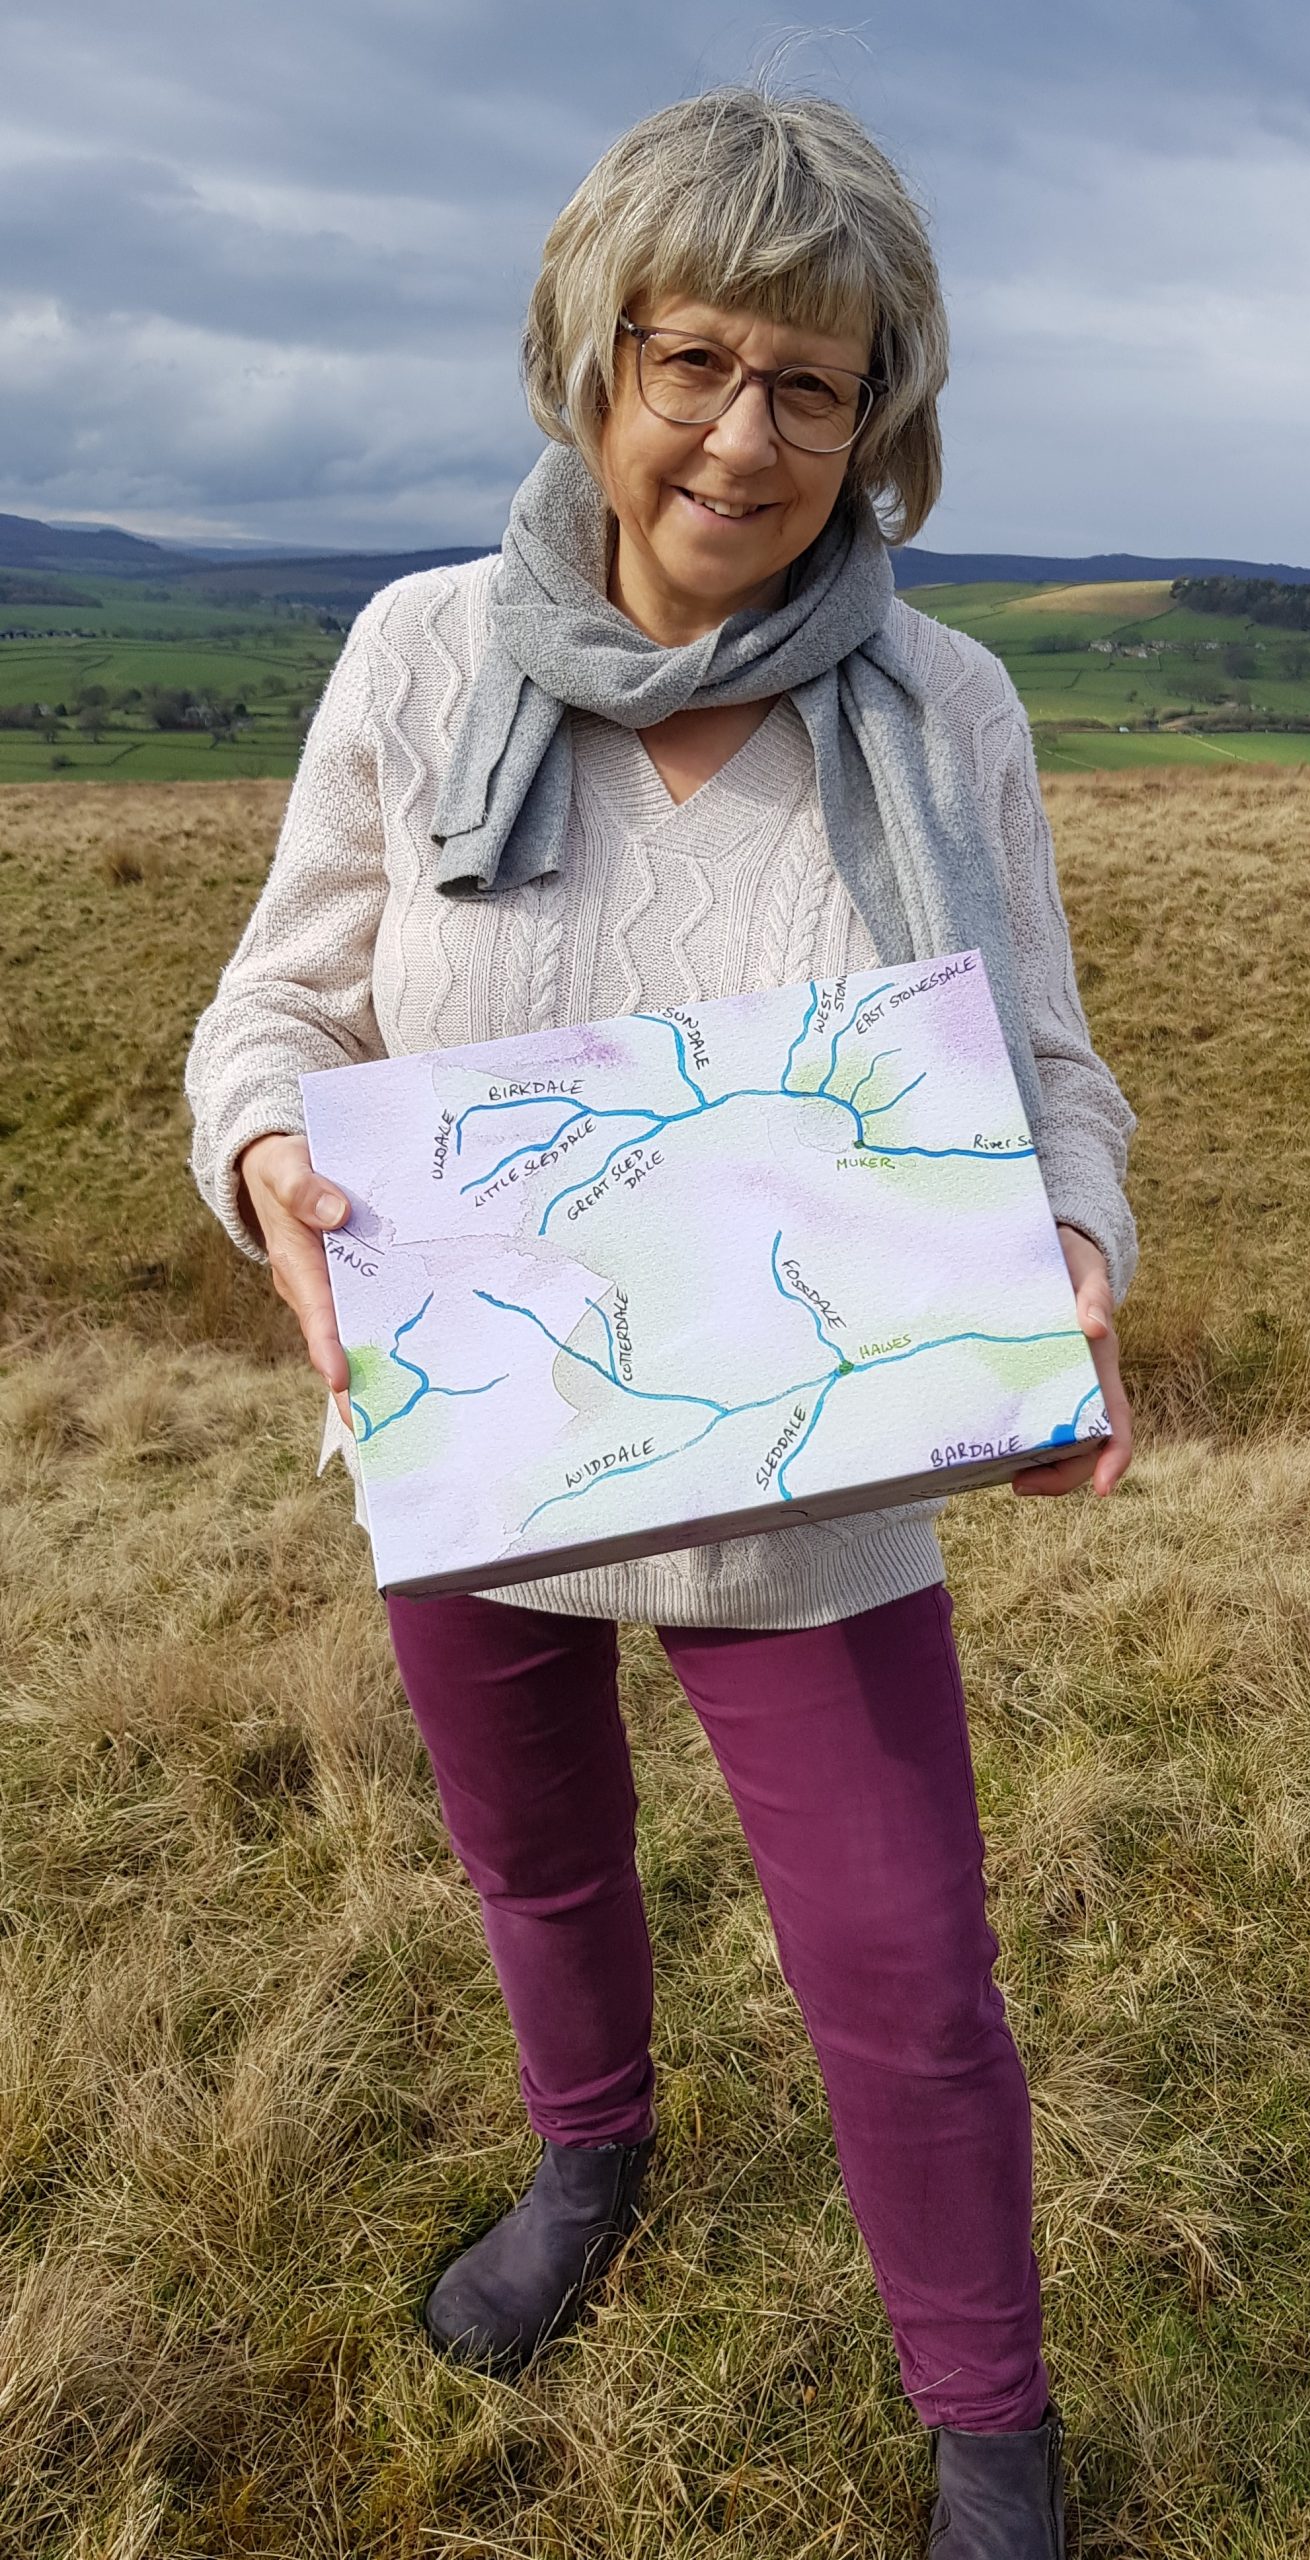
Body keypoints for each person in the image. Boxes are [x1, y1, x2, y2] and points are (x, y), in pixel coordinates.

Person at [186, 85, 1135, 2559]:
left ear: (879, 418)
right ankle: (590, 2154)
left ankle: (989, 2421)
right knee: (536, 1858)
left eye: (810, 383)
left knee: (907, 1964)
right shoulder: (418, 653)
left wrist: (1070, 1258)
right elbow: (274, 1011)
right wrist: (271, 1154)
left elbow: (1047, 1071)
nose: (740, 435)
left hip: (814, 1479)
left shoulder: (944, 709)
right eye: (692, 357)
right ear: (591, 357)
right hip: (482, 1433)